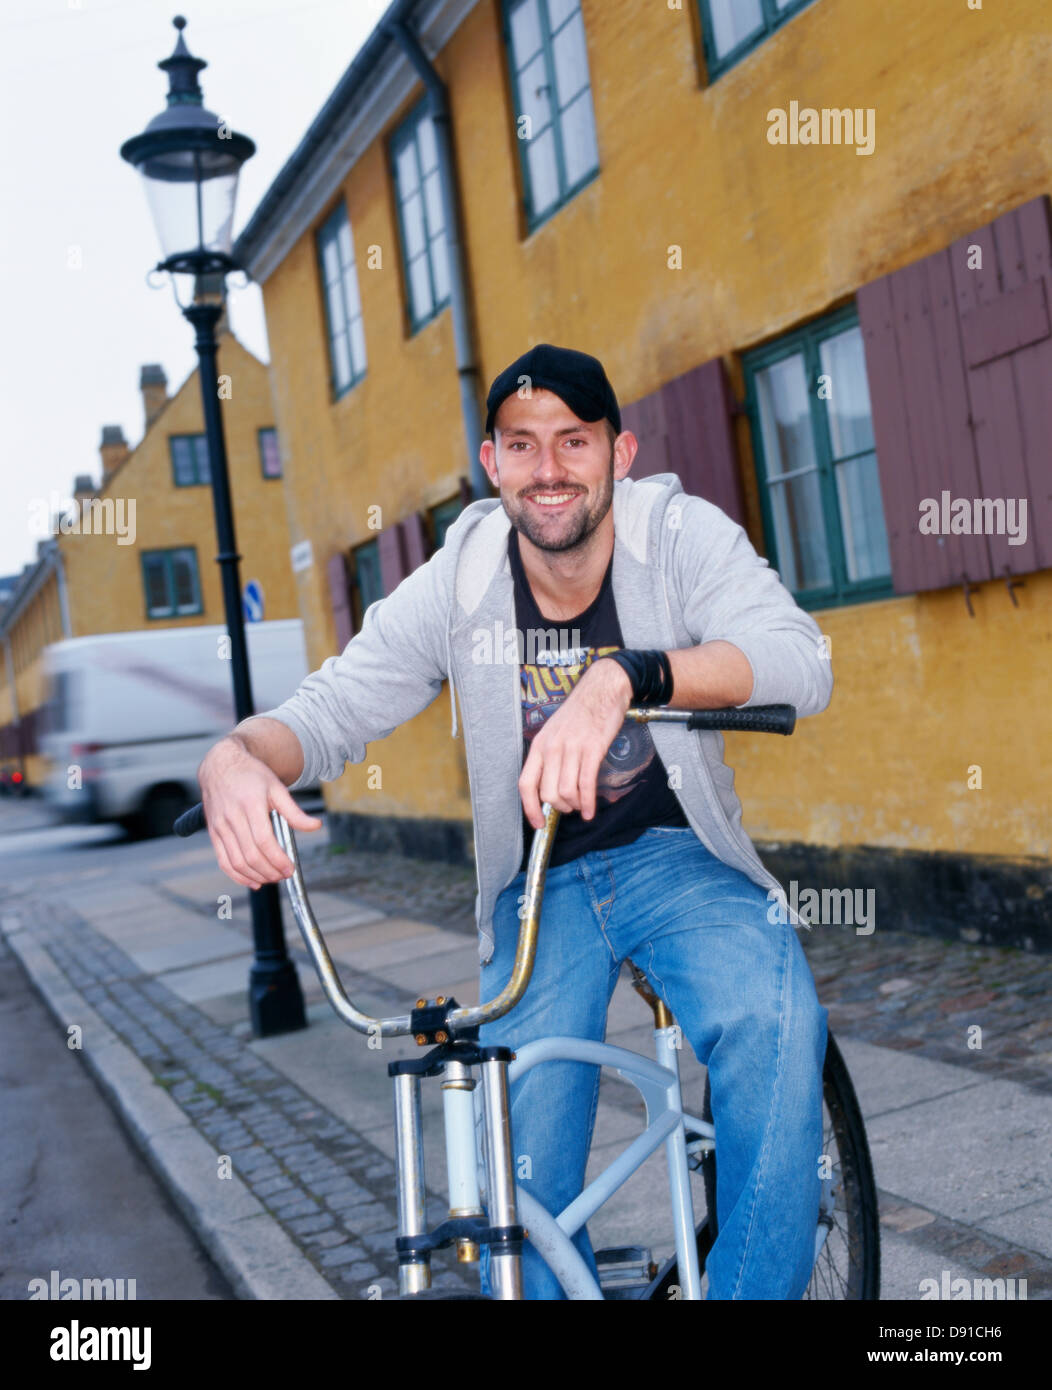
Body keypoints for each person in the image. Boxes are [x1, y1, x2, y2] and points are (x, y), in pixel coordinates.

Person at [196, 343, 833, 1300]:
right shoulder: (460, 581)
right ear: (491, 466)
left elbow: (799, 660)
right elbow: (325, 715)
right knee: (517, 1176)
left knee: (774, 1025)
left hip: (677, 857)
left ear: (619, 454)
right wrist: (230, 759)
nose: (550, 470)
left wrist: (626, 675)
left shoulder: (680, 535)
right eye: (522, 446)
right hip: (541, 888)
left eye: (575, 442)